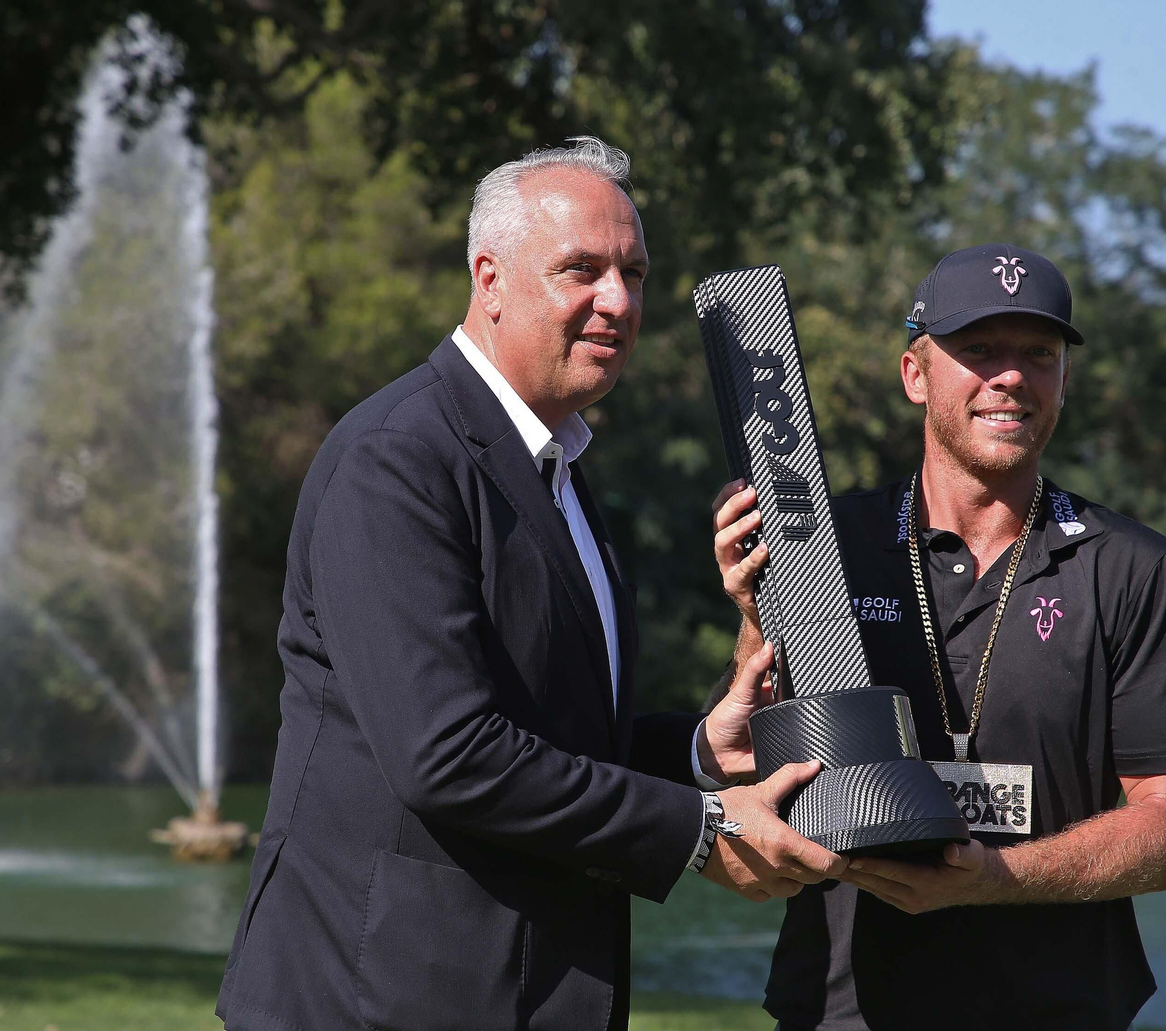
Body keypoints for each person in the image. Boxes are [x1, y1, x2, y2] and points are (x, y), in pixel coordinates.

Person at [215, 137, 845, 1031]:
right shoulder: (397, 458)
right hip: (379, 1001)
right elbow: (449, 753)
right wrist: (700, 830)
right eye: (581, 269)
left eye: (634, 272)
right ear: (491, 279)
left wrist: (701, 750)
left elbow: (554, 733)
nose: (618, 300)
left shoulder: (560, 467)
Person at [713, 244, 1166, 1031]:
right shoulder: (822, 546)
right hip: (845, 1012)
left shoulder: (1134, 567)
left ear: (1063, 378)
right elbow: (743, 790)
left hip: (1060, 1013)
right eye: (979, 348)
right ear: (915, 374)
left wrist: (997, 876)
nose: (1011, 375)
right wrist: (757, 618)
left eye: (1039, 353)